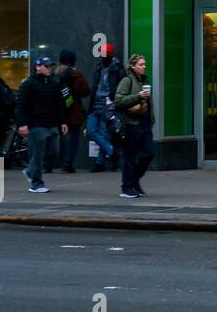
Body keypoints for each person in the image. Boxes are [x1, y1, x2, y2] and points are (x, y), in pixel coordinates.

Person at [16, 56, 67, 194]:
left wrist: (62, 121)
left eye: (50, 66)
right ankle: (36, 184)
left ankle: (30, 171)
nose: (50, 68)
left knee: (54, 151)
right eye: (47, 66)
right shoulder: (28, 84)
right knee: (37, 154)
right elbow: (21, 105)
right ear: (38, 67)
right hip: (36, 124)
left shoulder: (54, 82)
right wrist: (22, 124)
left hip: (52, 123)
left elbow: (59, 103)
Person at [115, 55, 155, 199]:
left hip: (145, 124)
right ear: (132, 66)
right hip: (131, 124)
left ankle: (134, 180)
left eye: (144, 64)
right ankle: (126, 187)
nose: (144, 67)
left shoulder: (144, 80)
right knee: (130, 157)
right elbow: (118, 100)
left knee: (149, 153)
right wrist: (138, 96)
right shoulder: (127, 80)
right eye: (141, 64)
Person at [55, 49, 91, 174]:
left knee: (54, 136)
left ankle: (47, 164)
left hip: (57, 110)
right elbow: (86, 91)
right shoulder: (76, 74)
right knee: (73, 138)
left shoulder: (54, 73)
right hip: (73, 111)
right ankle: (67, 164)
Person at [88, 44, 123, 173]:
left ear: (110, 55)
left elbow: (121, 87)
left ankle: (100, 163)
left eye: (103, 54)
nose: (101, 57)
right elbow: (95, 86)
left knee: (104, 134)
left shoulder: (117, 68)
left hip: (108, 105)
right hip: (96, 103)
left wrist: (114, 102)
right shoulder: (99, 67)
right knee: (91, 131)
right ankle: (112, 153)